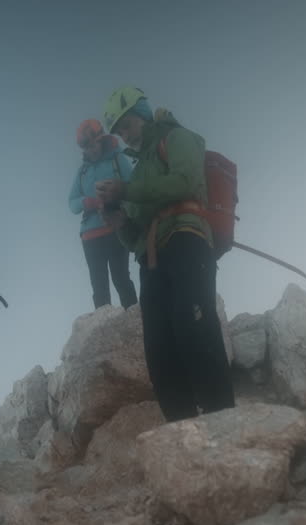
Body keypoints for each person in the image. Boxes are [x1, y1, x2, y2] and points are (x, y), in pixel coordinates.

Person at [94, 86, 235, 421]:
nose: (125, 135)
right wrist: (119, 222)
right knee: (159, 347)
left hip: (187, 239)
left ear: (142, 115)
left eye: (127, 125)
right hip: (152, 259)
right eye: (119, 131)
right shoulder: (139, 167)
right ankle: (180, 430)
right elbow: (139, 238)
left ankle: (225, 422)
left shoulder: (178, 138)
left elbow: (185, 181)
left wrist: (126, 190)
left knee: (195, 328)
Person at [68, 118, 138, 310]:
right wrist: (86, 202)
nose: (92, 150)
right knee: (99, 287)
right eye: (87, 148)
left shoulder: (117, 160)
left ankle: (137, 322)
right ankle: (103, 330)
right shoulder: (82, 172)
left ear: (102, 140)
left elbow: (134, 188)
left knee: (121, 279)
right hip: (90, 235)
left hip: (115, 228)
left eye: (94, 144)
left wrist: (117, 200)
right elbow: (72, 203)